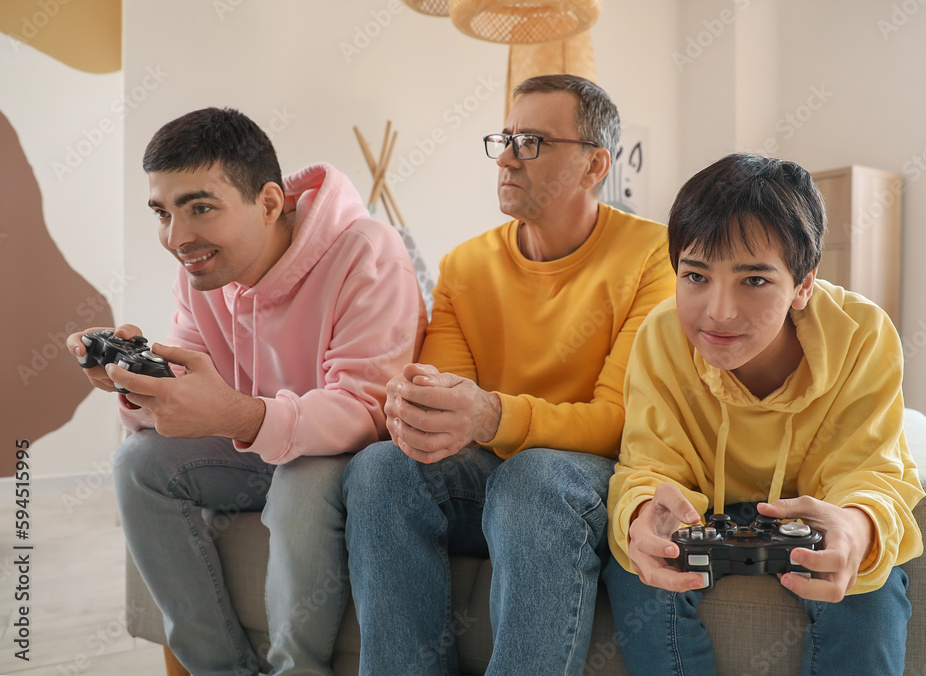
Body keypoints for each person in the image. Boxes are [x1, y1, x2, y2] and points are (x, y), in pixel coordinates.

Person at [65, 107, 425, 675]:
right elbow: (194, 380)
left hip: (346, 461)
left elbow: (367, 410)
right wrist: (140, 386)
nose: (177, 238)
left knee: (303, 482)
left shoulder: (365, 251)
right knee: (138, 462)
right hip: (256, 449)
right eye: (163, 213)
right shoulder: (202, 268)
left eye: (200, 208)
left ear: (268, 202)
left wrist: (243, 419)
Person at [340, 74, 676, 675]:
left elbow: (620, 422)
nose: (507, 157)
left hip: (589, 476)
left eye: (534, 142)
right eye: (505, 138)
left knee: (533, 477)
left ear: (594, 164)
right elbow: (449, 407)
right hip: (498, 467)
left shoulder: (656, 255)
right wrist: (414, 406)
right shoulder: (465, 265)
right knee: (381, 467)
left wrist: (492, 414)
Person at [604, 153, 925, 675]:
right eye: (695, 276)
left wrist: (857, 526)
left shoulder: (864, 335)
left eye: (753, 280)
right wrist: (643, 512)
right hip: (703, 516)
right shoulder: (659, 335)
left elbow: (871, 467)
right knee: (636, 575)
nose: (719, 311)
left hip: (816, 515)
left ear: (803, 286)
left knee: (871, 588)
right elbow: (649, 462)